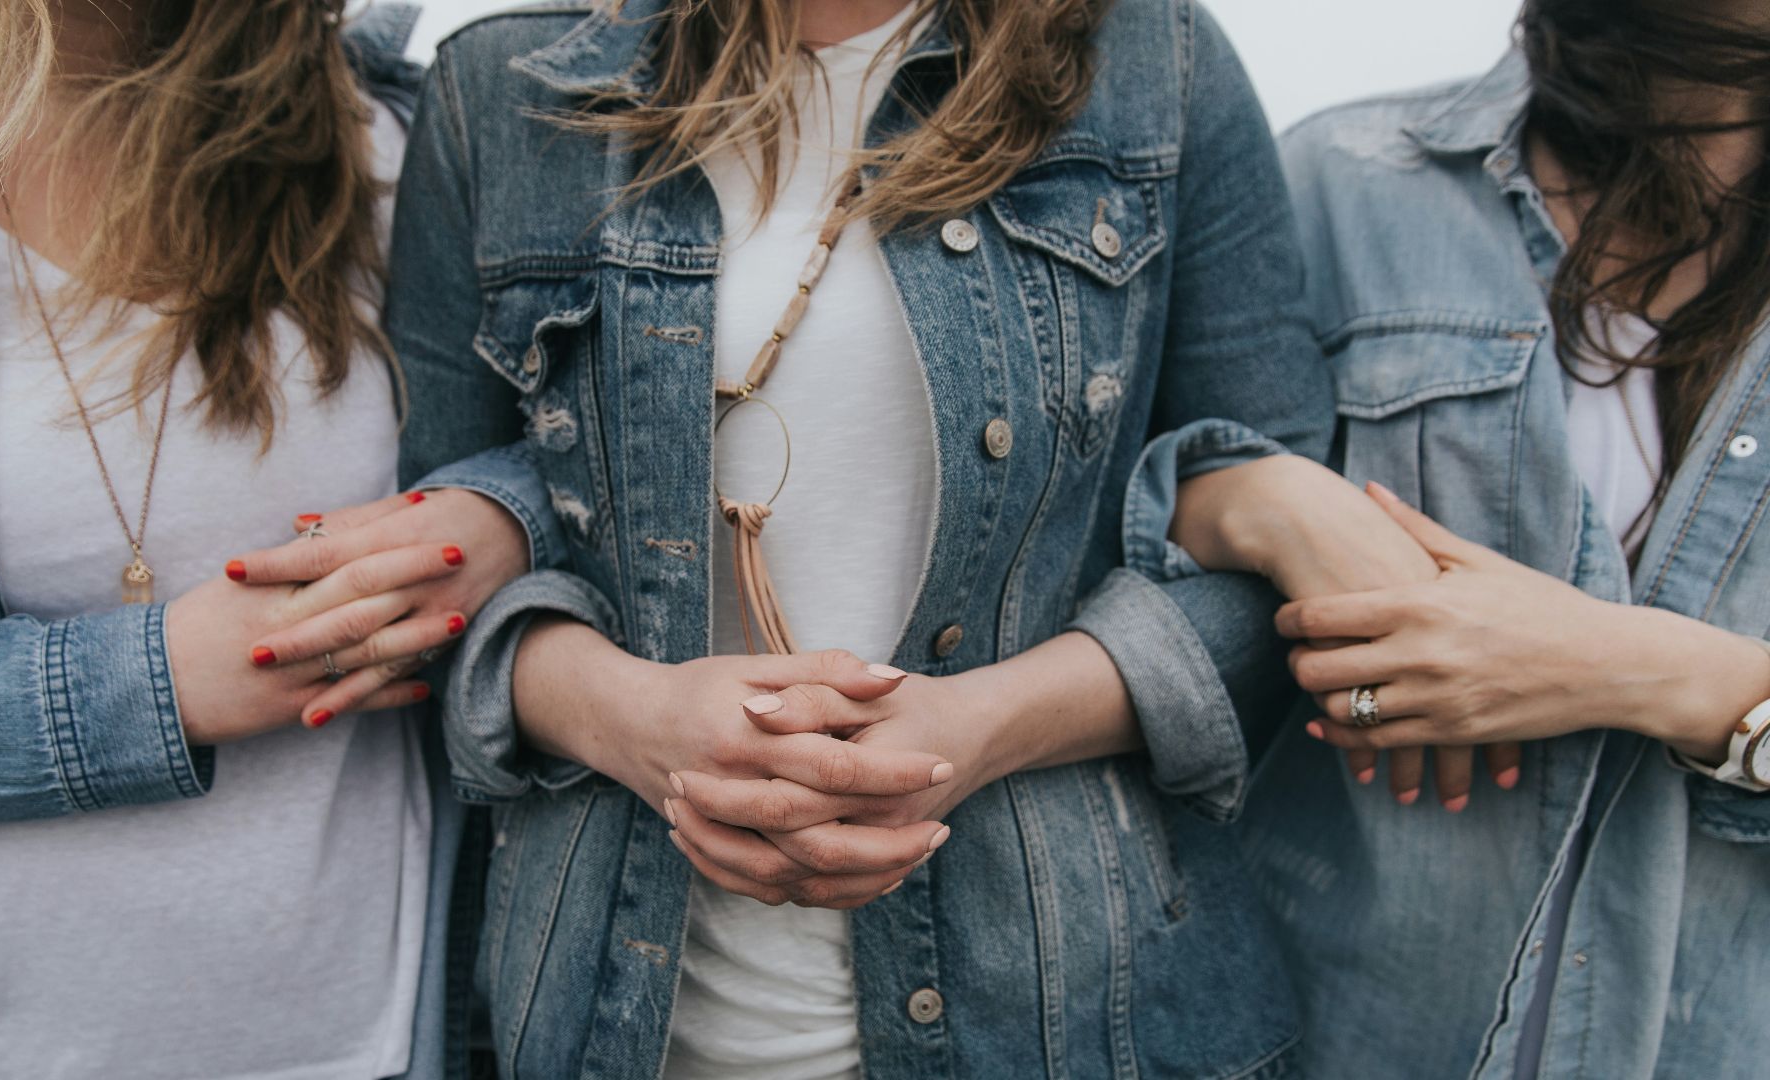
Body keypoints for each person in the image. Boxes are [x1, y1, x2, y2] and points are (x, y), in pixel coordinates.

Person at [236, 0, 1360, 1075]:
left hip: (1080, 1016)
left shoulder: (1156, 61)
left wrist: (981, 728)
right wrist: (633, 719)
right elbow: (450, 556)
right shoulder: (508, 85)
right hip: (617, 1022)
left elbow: (1273, 567)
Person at [0, 3, 541, 1076]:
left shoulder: (410, 126)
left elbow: (593, 456)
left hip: (370, 1040)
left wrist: (499, 521)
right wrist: (152, 684)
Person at [1166, 0, 1770, 1074]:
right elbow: (1102, 535)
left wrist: (1644, 671)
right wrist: (1261, 496)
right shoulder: (1345, 185)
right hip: (1330, 1031)